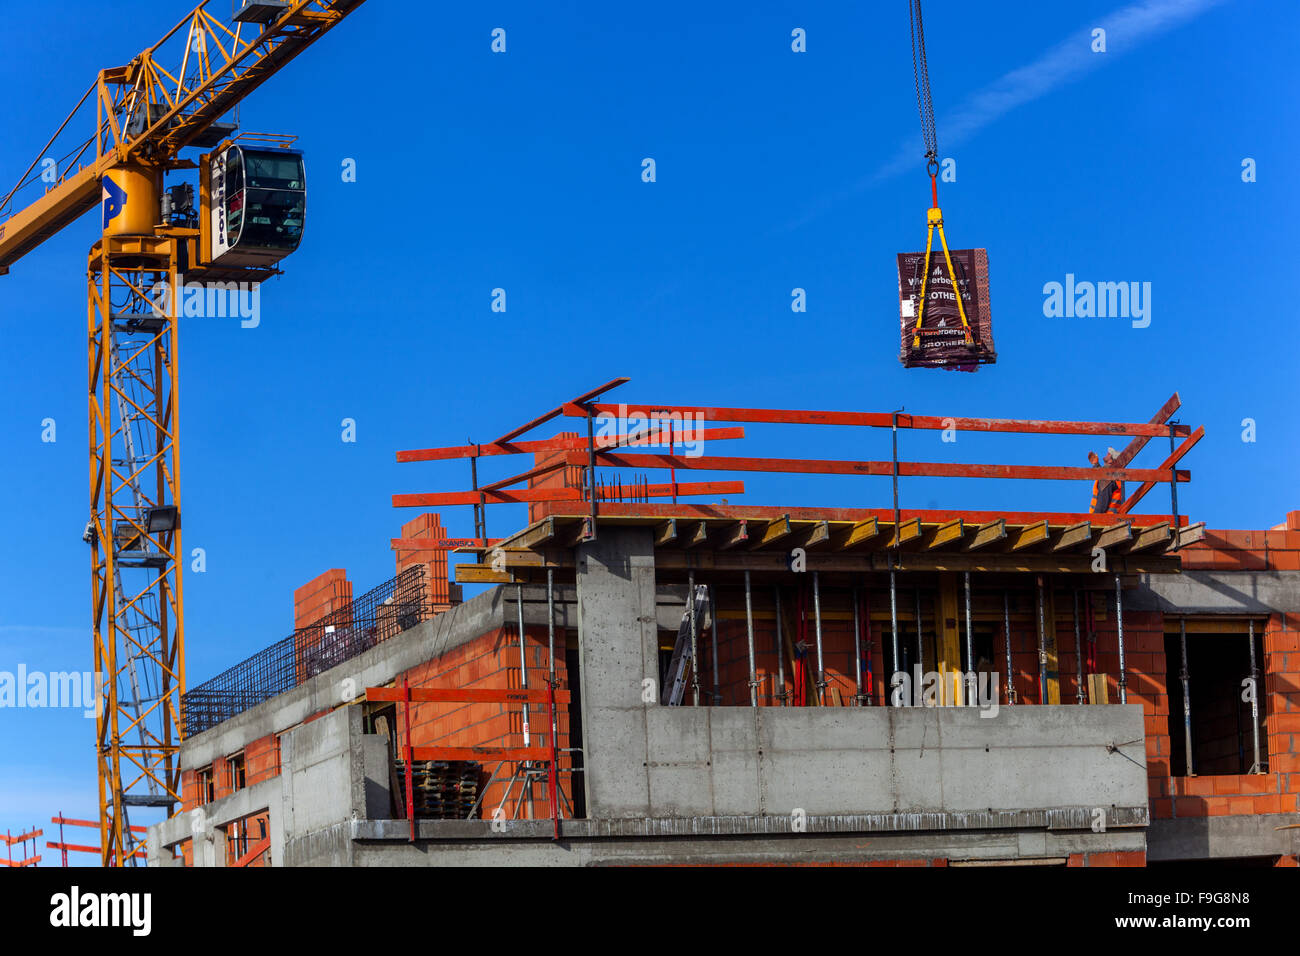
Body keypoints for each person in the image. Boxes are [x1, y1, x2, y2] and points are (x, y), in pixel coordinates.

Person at [1088, 447, 1123, 514]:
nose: (1107, 453)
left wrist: (1094, 520)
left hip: (1103, 519)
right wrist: (1096, 465)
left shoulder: (1108, 479)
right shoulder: (1112, 476)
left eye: (1109, 454)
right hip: (1109, 519)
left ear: (1111, 461)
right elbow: (1103, 475)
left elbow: (1102, 504)